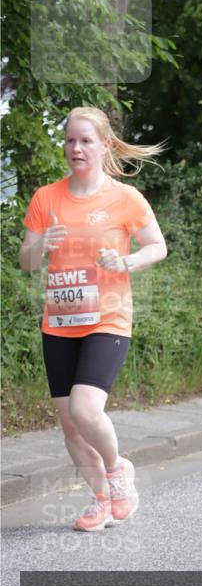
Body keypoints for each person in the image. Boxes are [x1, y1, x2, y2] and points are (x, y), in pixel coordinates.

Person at [19, 106, 167, 532]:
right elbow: (26, 262)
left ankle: (118, 470)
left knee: (86, 409)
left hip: (108, 318)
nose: (76, 148)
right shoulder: (46, 197)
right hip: (60, 321)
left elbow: (156, 246)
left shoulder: (125, 198)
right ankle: (101, 497)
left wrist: (126, 261)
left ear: (105, 145)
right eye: (69, 140)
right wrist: (41, 243)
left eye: (85, 140)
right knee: (71, 425)